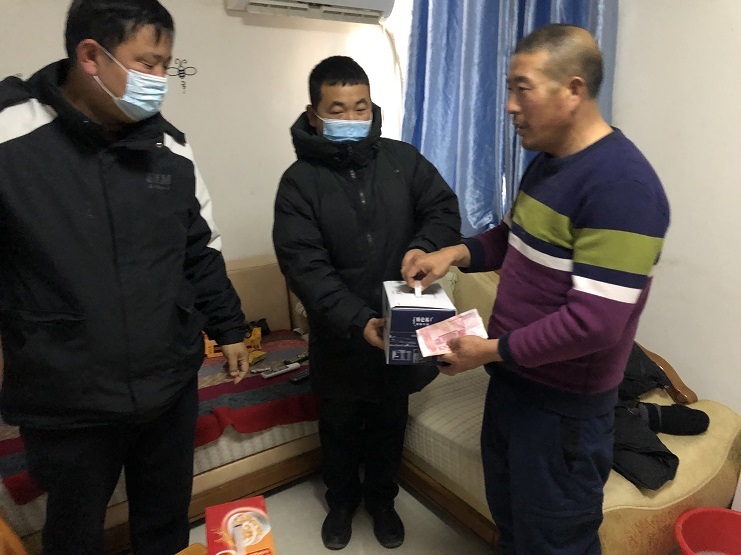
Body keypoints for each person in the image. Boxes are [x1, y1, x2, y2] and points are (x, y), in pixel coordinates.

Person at [402, 24, 670, 555]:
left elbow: (594, 324)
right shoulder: (547, 163)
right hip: (512, 389)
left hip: (563, 413)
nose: (509, 106)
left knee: (555, 543)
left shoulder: (623, 187)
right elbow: (512, 238)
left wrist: (488, 351)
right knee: (513, 529)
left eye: (521, 88)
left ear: (573, 90)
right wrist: (452, 254)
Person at [0, 1, 250, 553]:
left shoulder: (170, 148)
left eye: (167, 65)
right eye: (148, 64)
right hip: (68, 395)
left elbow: (200, 249)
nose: (160, 80)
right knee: (73, 534)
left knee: (164, 524)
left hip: (169, 382)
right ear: (91, 56)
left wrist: (230, 328)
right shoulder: (11, 137)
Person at [272, 56, 460, 550]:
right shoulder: (299, 183)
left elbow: (442, 210)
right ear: (314, 115)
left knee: (389, 421)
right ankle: (341, 502)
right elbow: (304, 267)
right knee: (337, 425)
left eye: (360, 107)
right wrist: (358, 320)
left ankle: (382, 501)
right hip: (340, 334)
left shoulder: (404, 161)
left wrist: (425, 246)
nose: (352, 118)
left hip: (402, 324)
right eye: (338, 110)